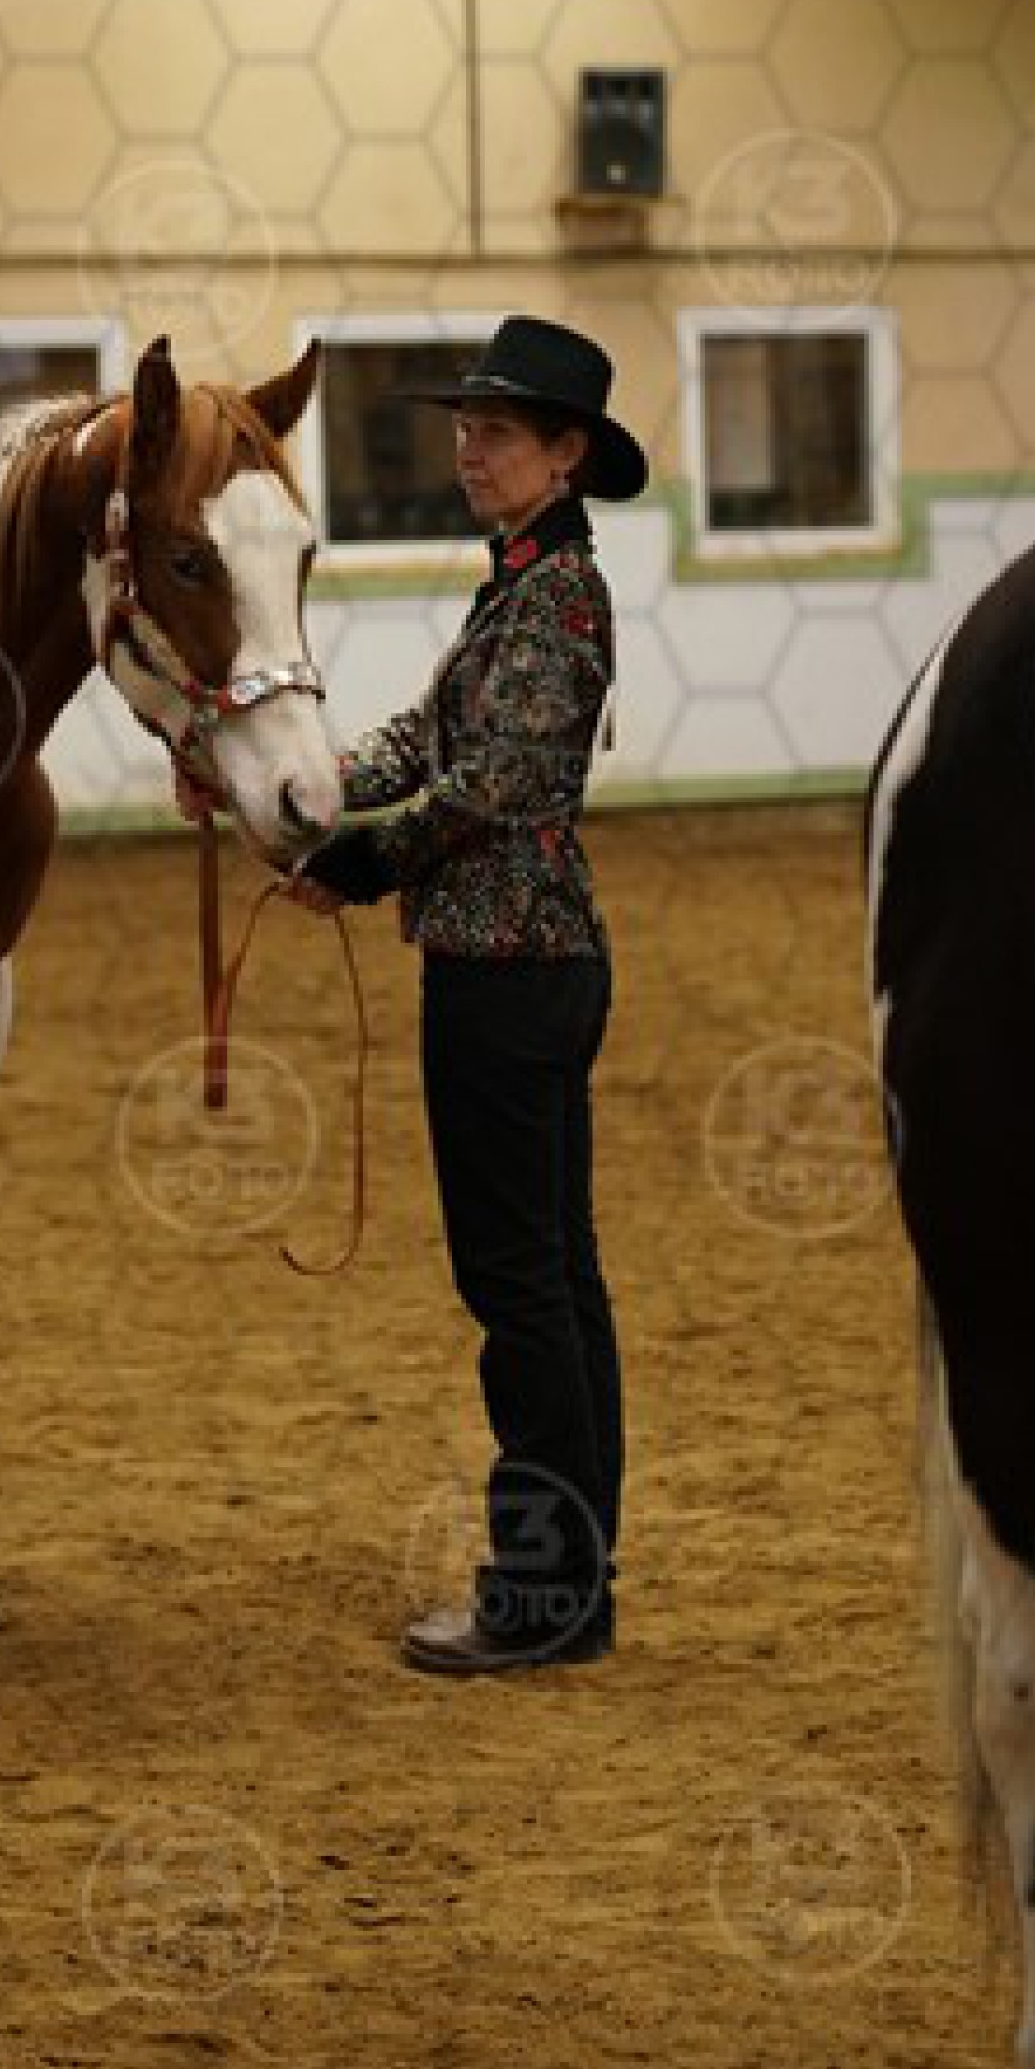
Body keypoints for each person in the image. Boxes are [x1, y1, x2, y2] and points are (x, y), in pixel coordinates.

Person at [288, 315, 645, 1675]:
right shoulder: (525, 585)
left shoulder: (555, 597)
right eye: (467, 427)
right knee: (553, 1278)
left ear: (566, 453)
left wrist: (361, 859)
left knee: (521, 1287)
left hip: (511, 974)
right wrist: (313, 787)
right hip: (521, 970)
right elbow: (431, 743)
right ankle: (574, 1583)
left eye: (497, 431)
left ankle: (544, 1593)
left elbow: (496, 785)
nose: (470, 449)